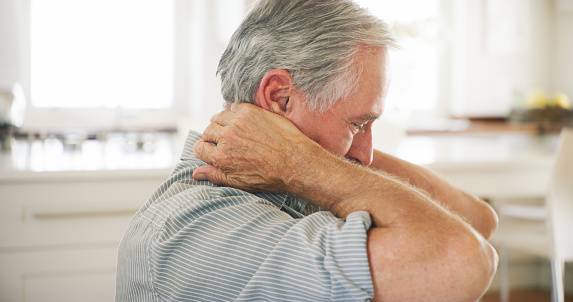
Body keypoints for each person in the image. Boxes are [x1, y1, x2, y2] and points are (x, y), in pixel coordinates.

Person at [116, 0, 499, 301]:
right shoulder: (199, 225)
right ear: (280, 98)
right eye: (357, 123)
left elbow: (479, 221)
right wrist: (303, 162)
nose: (365, 155)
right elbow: (463, 260)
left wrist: (300, 159)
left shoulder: (292, 183)